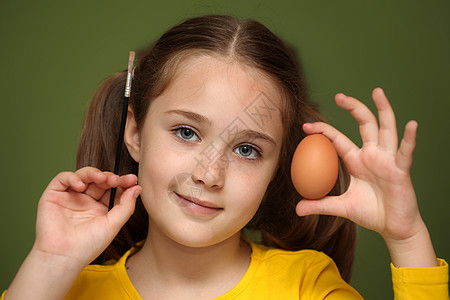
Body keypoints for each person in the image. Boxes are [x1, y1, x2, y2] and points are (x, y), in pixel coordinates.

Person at [3, 15, 448, 299]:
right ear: (135, 133)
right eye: (186, 132)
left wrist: (407, 239)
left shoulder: (305, 288)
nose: (210, 173)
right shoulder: (63, 289)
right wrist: (51, 264)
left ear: (278, 169)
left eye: (247, 149)